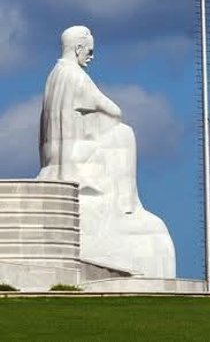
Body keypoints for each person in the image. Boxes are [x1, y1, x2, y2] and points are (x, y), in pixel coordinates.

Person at [37, 26, 175, 277]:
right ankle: (126, 206)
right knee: (124, 134)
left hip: (57, 162)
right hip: (76, 162)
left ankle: (126, 205)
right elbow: (113, 110)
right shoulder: (76, 77)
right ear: (78, 48)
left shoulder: (54, 76)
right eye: (89, 50)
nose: (92, 56)